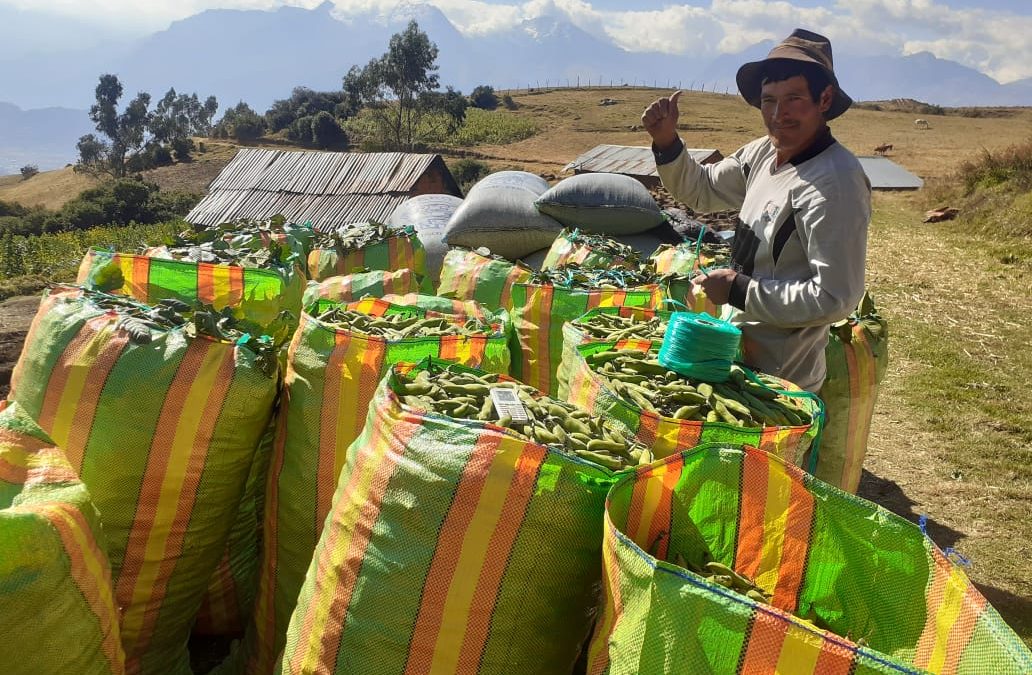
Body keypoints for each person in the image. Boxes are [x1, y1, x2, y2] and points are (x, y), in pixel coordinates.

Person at [642, 28, 871, 393]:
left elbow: (834, 297)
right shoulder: (763, 152)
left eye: (794, 98)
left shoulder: (835, 183)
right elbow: (703, 191)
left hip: (781, 377)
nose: (779, 114)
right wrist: (667, 142)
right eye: (769, 100)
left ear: (824, 98)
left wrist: (739, 290)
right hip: (734, 350)